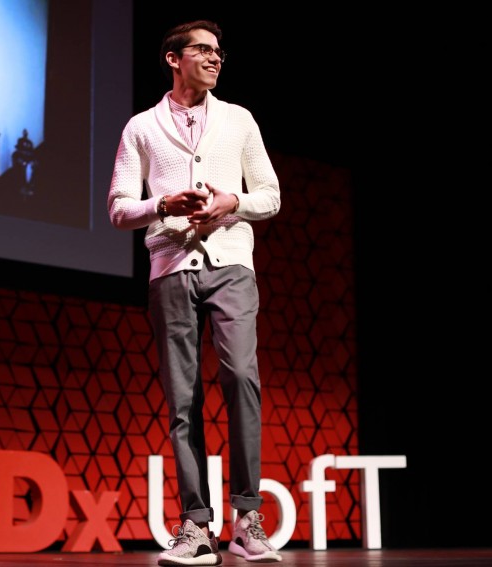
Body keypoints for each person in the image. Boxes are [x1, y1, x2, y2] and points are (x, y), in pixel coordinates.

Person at [107, 20, 282, 565]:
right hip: (171, 266)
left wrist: (232, 201)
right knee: (183, 401)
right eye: (203, 51)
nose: (214, 59)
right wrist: (162, 205)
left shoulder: (239, 119)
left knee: (241, 378)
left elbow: (271, 195)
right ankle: (195, 527)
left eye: (218, 52)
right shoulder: (142, 127)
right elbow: (117, 208)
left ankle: (247, 520)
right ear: (173, 59)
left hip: (232, 266)